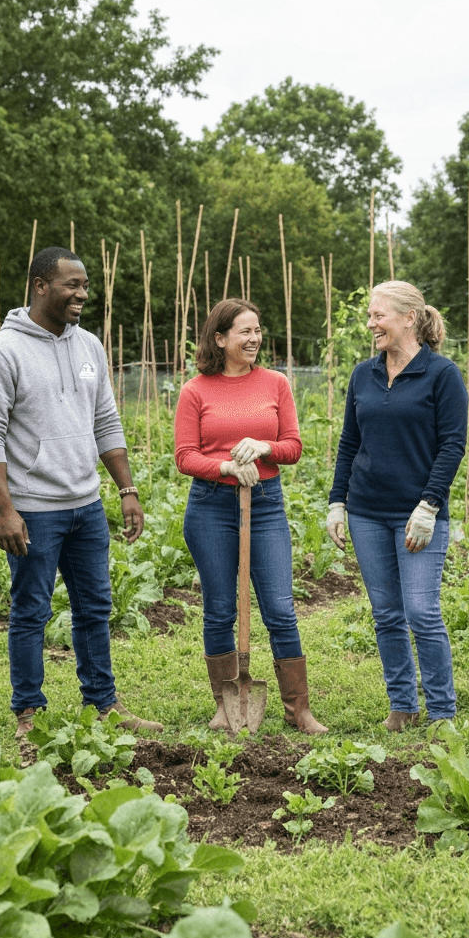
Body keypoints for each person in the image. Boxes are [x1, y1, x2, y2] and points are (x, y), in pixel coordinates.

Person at [0, 246, 162, 737]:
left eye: (84, 286)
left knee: (95, 608)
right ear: (40, 286)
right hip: (34, 509)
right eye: (71, 285)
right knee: (31, 611)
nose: (82, 294)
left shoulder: (89, 346)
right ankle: (27, 712)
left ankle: (104, 703)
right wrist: (4, 508)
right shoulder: (2, 353)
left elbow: (105, 419)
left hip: (87, 506)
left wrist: (127, 488)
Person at [174, 298, 327, 734]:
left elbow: (293, 447)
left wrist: (263, 448)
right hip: (211, 506)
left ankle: (299, 709)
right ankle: (225, 706)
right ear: (220, 339)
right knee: (220, 609)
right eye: (244, 331)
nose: (255, 338)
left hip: (265, 504)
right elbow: (185, 457)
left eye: (257, 330)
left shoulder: (275, 384)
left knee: (280, 608)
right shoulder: (195, 390)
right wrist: (223, 465)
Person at [326, 281, 467, 731]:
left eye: (378, 316)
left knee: (422, 612)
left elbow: (452, 445)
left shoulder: (442, 375)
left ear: (409, 318)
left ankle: (442, 711)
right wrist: (337, 502)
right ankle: (402, 706)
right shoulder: (363, 375)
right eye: (370, 316)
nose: (371, 324)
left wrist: (429, 504)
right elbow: (350, 443)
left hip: (417, 515)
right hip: (367, 510)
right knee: (386, 614)